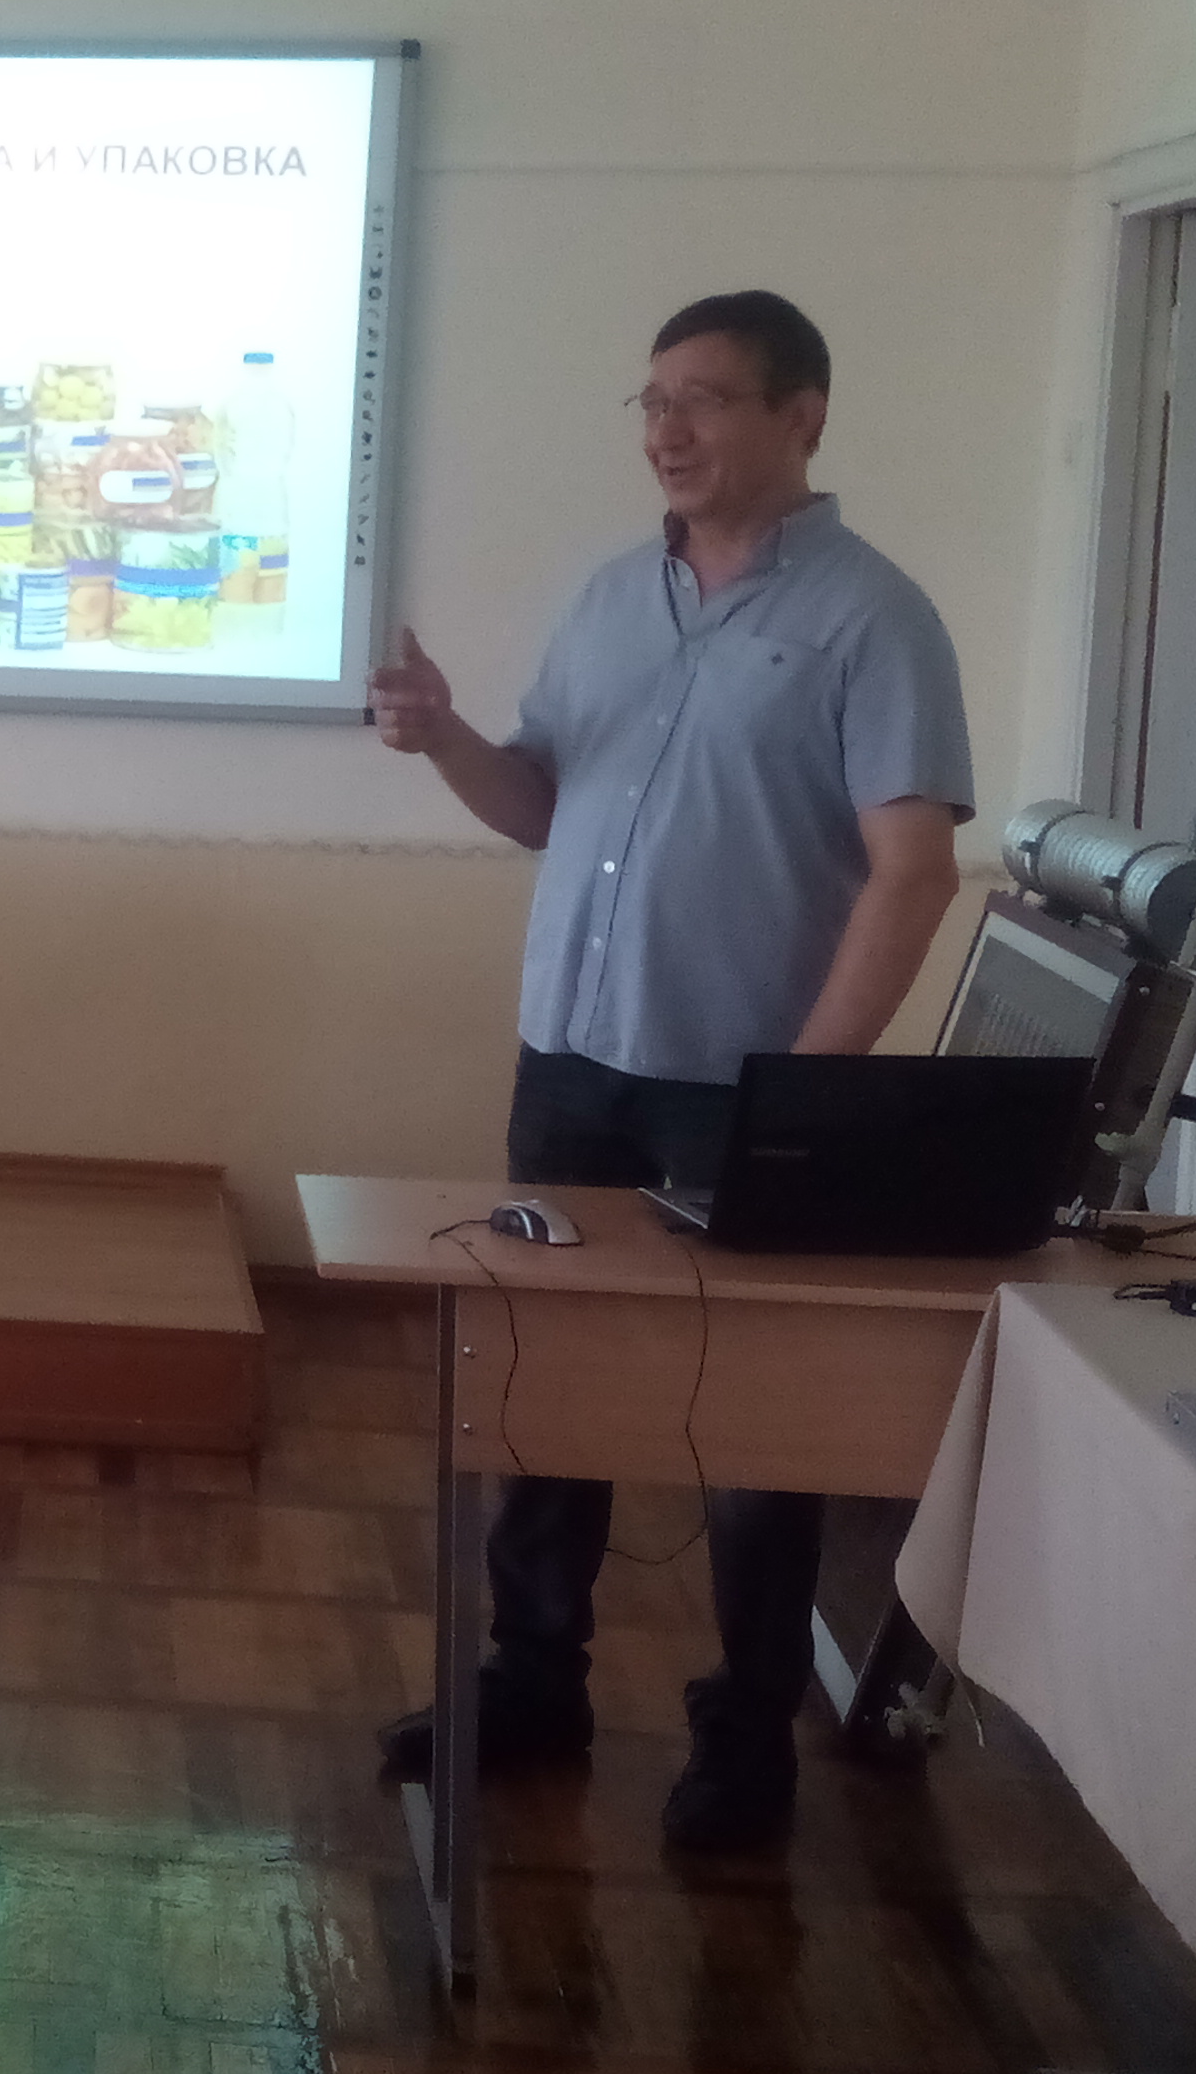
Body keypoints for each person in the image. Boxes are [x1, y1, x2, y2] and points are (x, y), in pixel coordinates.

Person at [365, 289, 969, 1856]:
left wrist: (811, 1096)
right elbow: (540, 806)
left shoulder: (873, 618)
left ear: (802, 415)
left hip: (738, 1089)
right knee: (548, 1384)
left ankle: (748, 1736)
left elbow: (912, 872)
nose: (666, 430)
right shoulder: (609, 599)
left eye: (701, 398)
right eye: (650, 401)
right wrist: (443, 738)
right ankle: (532, 1682)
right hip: (573, 1064)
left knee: (756, 1430)